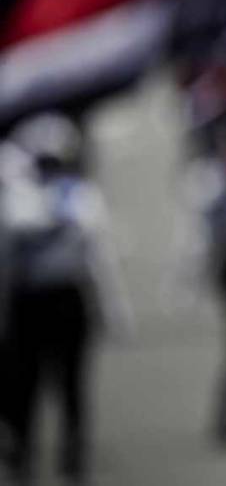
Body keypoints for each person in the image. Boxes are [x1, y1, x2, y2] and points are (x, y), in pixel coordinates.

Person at [0, 114, 132, 482]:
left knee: (70, 382)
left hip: (62, 301)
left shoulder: (75, 199)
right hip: (34, 300)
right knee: (29, 382)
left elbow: (100, 261)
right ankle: (26, 452)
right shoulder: (22, 200)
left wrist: (114, 311)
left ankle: (70, 452)